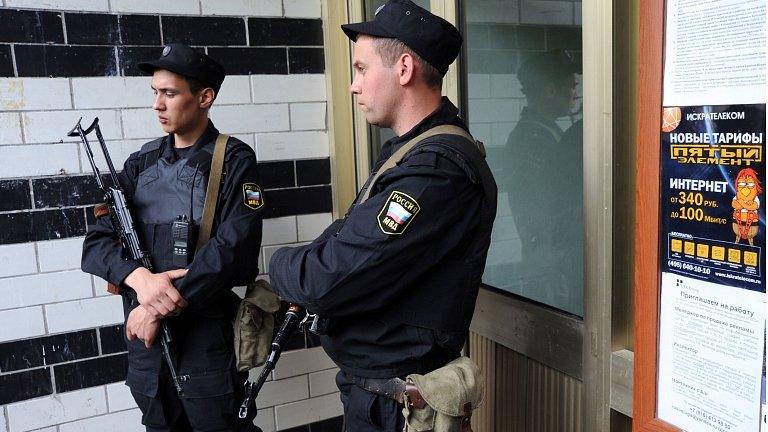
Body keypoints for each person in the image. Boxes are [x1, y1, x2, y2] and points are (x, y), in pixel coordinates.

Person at [268, 1, 497, 430]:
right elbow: (347, 240)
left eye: (361, 69)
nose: (354, 86)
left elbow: (328, 276)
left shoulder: (434, 170)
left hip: (398, 410)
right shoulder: (409, 153)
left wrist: (277, 264)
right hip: (378, 397)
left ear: (404, 68)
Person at [81, 43, 263, 432]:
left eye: (170, 93)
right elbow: (96, 245)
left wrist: (153, 308)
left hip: (205, 345)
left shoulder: (231, 160)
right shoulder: (140, 163)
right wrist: (138, 279)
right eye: (155, 93)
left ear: (204, 97)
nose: (157, 105)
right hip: (147, 352)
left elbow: (233, 254)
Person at [487, 50, 583, 311]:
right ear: (550, 90)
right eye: (571, 86)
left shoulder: (542, 133)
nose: (575, 94)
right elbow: (551, 210)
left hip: (552, 258)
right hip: (552, 262)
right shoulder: (533, 140)